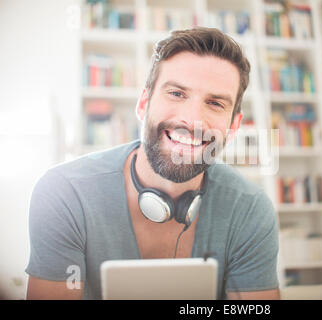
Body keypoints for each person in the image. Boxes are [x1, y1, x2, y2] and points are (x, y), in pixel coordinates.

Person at [25, 27, 280, 300]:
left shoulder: (250, 209)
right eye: (177, 94)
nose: (191, 119)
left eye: (215, 103)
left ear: (233, 126)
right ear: (144, 103)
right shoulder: (64, 193)